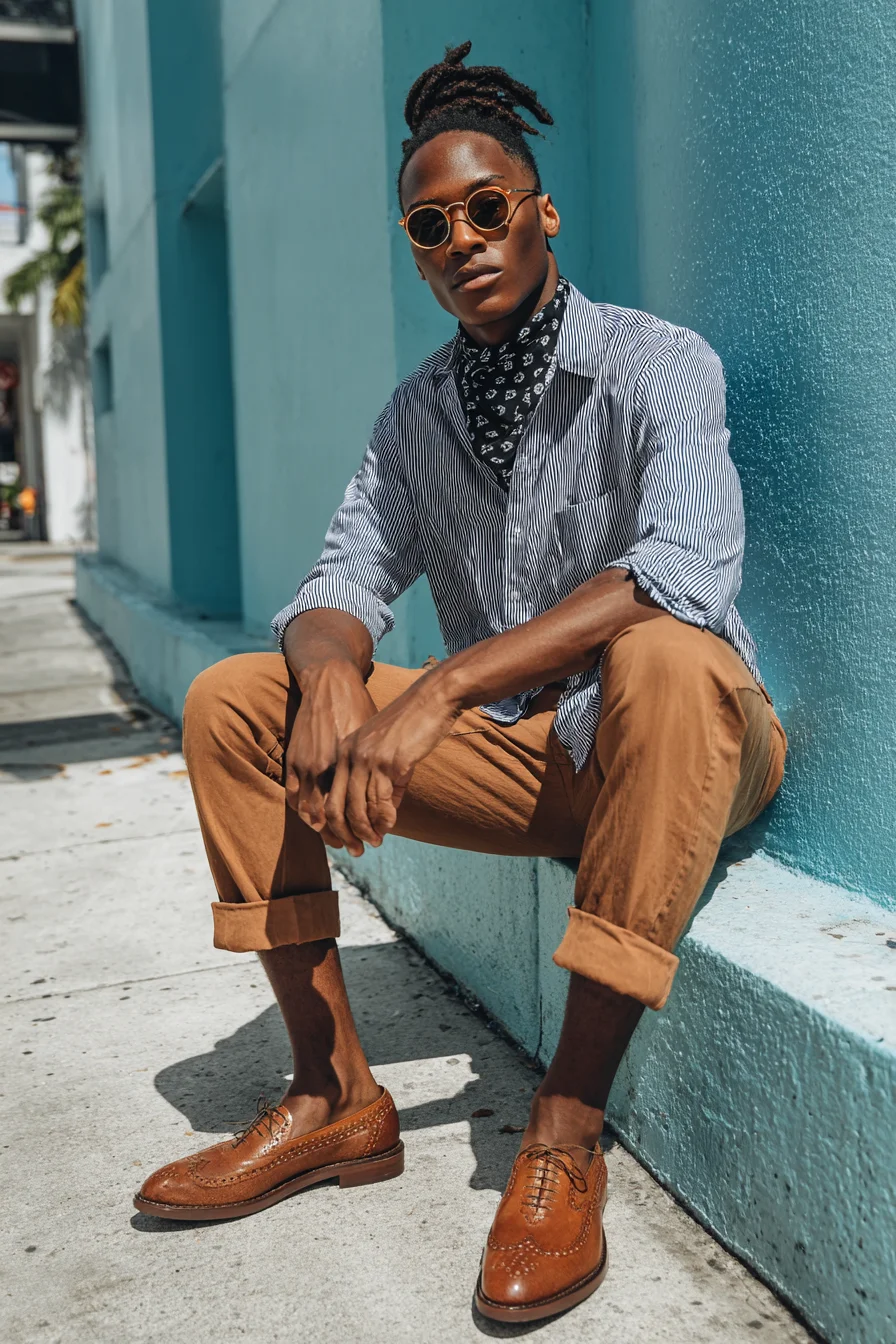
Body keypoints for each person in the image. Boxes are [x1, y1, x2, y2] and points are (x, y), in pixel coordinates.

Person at [135, 43, 787, 1325]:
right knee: (235, 700)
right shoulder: (414, 417)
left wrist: (435, 690)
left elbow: (681, 569)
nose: (464, 238)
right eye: (431, 226)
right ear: (415, 248)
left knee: (659, 650)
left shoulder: (659, 361)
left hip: (682, 749)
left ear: (539, 209)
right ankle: (334, 1100)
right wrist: (327, 676)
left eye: (488, 207)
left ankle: (563, 1129)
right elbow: (338, 583)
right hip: (535, 762)